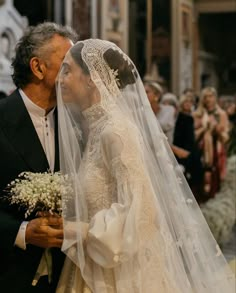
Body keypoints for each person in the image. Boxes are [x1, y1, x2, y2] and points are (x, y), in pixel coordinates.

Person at [55, 39, 235, 292]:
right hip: (95, 262)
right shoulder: (96, 129)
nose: (60, 79)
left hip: (118, 273)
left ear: (91, 78)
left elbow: (143, 211)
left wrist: (79, 230)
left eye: (67, 70)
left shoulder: (116, 131)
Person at [0, 22, 77, 293]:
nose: (76, 73)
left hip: (61, 278)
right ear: (38, 67)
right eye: (67, 64)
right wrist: (22, 231)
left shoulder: (75, 127)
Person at [193, 87, 229, 199]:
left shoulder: (221, 114)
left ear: (215, 98)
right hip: (200, 149)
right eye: (206, 97)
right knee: (199, 180)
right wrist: (204, 128)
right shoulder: (197, 114)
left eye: (211, 96)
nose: (208, 99)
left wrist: (216, 128)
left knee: (216, 179)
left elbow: (225, 136)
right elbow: (192, 135)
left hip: (216, 149)